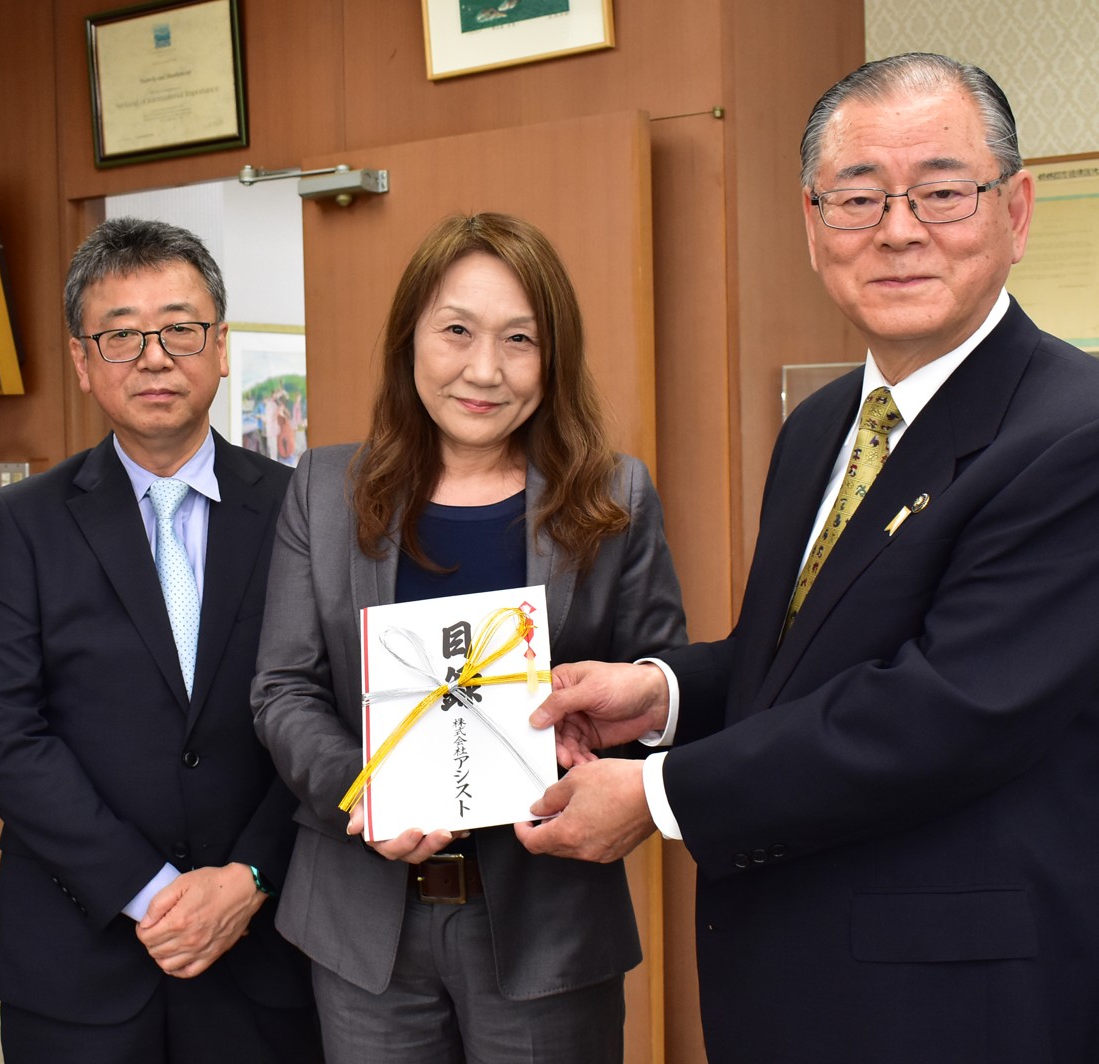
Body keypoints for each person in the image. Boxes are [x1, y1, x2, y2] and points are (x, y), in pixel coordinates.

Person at [517, 53, 1099, 1064]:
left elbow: (941, 710)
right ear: (810, 223)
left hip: (952, 1000)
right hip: (786, 978)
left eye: (940, 192)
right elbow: (797, 659)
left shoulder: (1073, 430)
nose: (897, 230)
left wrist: (657, 794)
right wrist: (658, 694)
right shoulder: (822, 424)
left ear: (1013, 211)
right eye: (858, 197)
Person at [252, 212, 686, 1063]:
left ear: (553, 357)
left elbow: (661, 681)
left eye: (519, 339)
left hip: (547, 920)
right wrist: (360, 792)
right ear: (408, 337)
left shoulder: (613, 494)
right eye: (456, 331)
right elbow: (283, 688)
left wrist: (605, 741)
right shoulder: (325, 489)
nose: (483, 370)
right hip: (362, 924)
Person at [0, 217, 320, 1063]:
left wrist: (250, 876)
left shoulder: (300, 510)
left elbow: (331, 710)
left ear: (220, 347)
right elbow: (2, 731)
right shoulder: (25, 521)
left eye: (180, 329)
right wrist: (151, 892)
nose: (154, 358)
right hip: (76, 950)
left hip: (262, 947)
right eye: (121, 336)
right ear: (83, 361)